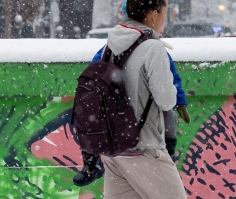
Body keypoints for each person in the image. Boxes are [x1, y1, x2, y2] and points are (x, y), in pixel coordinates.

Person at [78, 0, 213, 199]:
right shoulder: (152, 47)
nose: (166, 20)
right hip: (144, 147)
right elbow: (166, 100)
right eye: (165, 14)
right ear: (152, 14)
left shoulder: (110, 44)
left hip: (114, 147)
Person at [74, 47, 188, 186]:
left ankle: (168, 155)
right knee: (87, 117)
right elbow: (93, 74)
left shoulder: (155, 51)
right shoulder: (108, 50)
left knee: (170, 118)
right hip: (114, 101)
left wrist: (180, 101)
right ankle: (92, 161)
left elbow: (171, 79)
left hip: (145, 102)